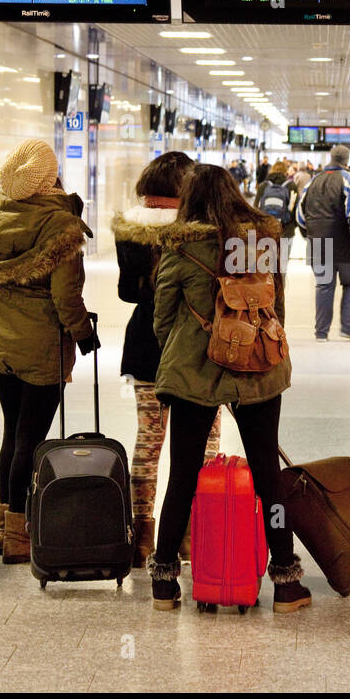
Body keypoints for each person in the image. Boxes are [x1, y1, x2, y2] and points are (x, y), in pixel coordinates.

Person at [148, 164, 310, 613]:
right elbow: (276, 303)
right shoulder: (261, 241)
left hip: (195, 371)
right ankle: (286, 582)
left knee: (182, 475)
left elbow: (161, 316)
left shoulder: (180, 247)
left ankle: (164, 580)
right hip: (259, 367)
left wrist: (185, 349)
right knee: (267, 476)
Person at [0, 139, 97, 564]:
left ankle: (6, 525)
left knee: (11, 431)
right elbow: (66, 295)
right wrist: (82, 333)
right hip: (40, 343)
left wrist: (11, 176)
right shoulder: (60, 226)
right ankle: (20, 535)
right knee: (30, 439)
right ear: (50, 177)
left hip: (0, 334)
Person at [113, 152, 221, 563]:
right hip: (197, 351)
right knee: (204, 447)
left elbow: (127, 293)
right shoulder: (202, 234)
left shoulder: (131, 230)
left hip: (146, 349)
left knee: (149, 442)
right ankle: (192, 536)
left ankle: (143, 537)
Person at [296, 144, 350, 341]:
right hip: (345, 243)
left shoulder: (313, 181)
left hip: (318, 243)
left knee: (323, 286)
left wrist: (309, 235)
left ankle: (321, 333)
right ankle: (346, 328)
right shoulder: (349, 179)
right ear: (346, 160)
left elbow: (300, 215)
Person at [256, 159, 299, 273]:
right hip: (286, 232)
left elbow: (255, 209)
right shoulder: (291, 186)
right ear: (285, 172)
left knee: (265, 269)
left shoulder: (263, 186)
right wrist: (292, 227)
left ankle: (268, 291)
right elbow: (296, 211)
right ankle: (279, 290)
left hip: (266, 232)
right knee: (281, 269)